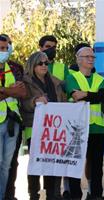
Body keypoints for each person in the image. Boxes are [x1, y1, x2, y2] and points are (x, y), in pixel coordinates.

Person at [20, 51, 66, 200]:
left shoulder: (56, 82)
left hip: (53, 130)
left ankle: (53, 193)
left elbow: (63, 102)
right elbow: (23, 104)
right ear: (33, 65)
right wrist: (34, 101)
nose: (44, 66)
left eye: (47, 63)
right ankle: (34, 194)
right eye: (41, 63)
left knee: (53, 163)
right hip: (34, 128)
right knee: (36, 164)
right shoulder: (24, 82)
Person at [65, 47, 104, 200]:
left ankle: (96, 195)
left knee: (97, 165)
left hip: (98, 127)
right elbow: (75, 95)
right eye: (87, 56)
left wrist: (86, 94)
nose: (91, 59)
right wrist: (91, 95)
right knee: (75, 163)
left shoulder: (99, 78)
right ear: (78, 59)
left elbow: (103, 96)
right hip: (78, 128)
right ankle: (75, 195)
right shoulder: (72, 77)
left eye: (93, 57)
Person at [0, 35, 26, 200]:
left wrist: (4, 91)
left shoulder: (13, 68)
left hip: (12, 121)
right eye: (0, 48)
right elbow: (15, 92)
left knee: (6, 166)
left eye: (5, 48)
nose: (3, 51)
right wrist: (11, 91)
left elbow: (23, 92)